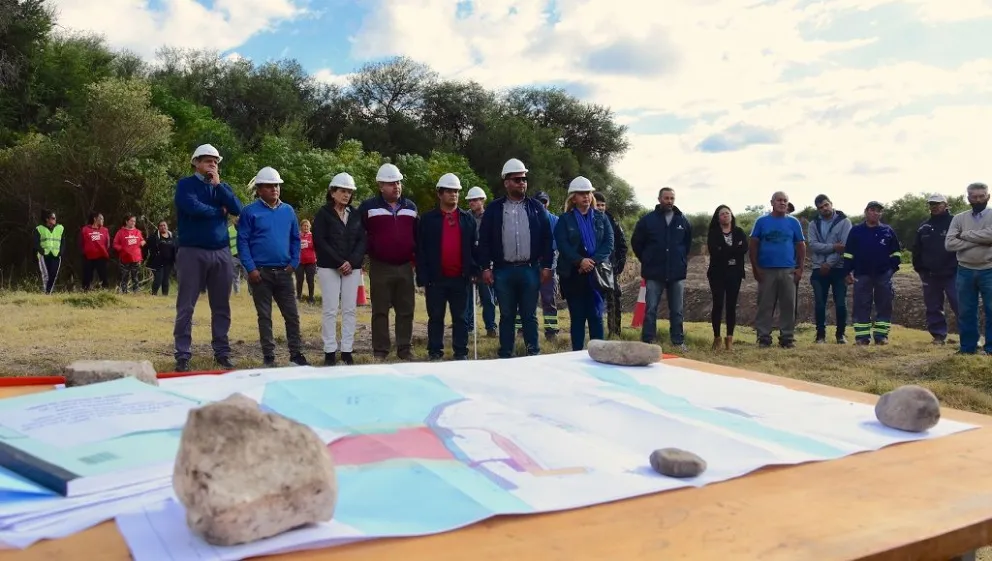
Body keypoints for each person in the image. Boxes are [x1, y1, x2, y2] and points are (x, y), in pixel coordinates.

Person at [173, 143, 243, 372]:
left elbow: (236, 207)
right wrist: (217, 211)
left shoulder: (222, 186)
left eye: (215, 161)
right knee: (186, 305)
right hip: (192, 251)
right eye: (206, 160)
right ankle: (183, 354)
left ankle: (222, 352)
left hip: (221, 251)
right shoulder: (185, 185)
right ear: (195, 162)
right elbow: (193, 208)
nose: (212, 163)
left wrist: (219, 186)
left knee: (221, 304)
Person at [477, 157, 554, 359]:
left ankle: (532, 352)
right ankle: (505, 354)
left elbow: (547, 238)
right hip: (503, 270)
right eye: (517, 179)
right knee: (507, 315)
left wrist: (547, 266)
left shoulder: (537, 208)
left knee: (529, 315)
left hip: (530, 269)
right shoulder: (494, 209)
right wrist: (485, 267)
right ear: (506, 182)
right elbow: (483, 240)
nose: (522, 183)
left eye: (524, 179)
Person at [236, 166, 308, 367]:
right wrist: (251, 269)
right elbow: (243, 242)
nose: (274, 189)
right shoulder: (250, 212)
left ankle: (296, 354)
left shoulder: (288, 210)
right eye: (269, 186)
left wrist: (294, 263)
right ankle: (269, 356)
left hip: (284, 271)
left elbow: (295, 238)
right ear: (259, 189)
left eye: (276, 185)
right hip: (261, 274)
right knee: (265, 317)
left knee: (292, 316)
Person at [358, 163, 418, 361]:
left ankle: (404, 349)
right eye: (391, 183)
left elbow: (417, 235)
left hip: (405, 266)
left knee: (406, 309)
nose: (396, 186)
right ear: (380, 186)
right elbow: (360, 234)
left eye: (398, 182)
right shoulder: (368, 207)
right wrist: (370, 250)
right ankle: (381, 350)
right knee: (380, 310)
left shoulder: (410, 207)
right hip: (380, 266)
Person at [416, 173, 479, 360]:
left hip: (461, 278)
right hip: (436, 279)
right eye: (450, 191)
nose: (454, 195)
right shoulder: (428, 220)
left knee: (461, 318)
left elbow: (474, 248)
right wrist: (423, 275)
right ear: (440, 194)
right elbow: (421, 249)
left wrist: (474, 269)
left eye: (456, 191)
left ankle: (461, 353)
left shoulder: (468, 219)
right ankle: (435, 352)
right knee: (436, 317)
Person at [554, 177, 614, 351]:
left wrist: (592, 261)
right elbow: (562, 244)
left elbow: (609, 243)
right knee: (578, 317)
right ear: (573, 198)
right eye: (581, 194)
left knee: (596, 317)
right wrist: (580, 261)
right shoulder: (565, 220)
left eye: (588, 193)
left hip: (596, 275)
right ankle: (577, 355)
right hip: (574, 275)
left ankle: (599, 354)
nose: (586, 196)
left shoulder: (602, 218)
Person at [313, 172, 367, 366]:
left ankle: (347, 350)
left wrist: (351, 262)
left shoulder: (356, 214)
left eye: (349, 192)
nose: (346, 195)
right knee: (330, 309)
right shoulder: (323, 214)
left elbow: (362, 240)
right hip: (329, 267)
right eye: (343, 191)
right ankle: (329, 351)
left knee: (349, 309)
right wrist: (338, 262)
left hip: (352, 268)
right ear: (332, 192)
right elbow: (320, 240)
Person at [630, 187, 692, 352]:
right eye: (666, 198)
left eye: (672, 198)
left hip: (676, 273)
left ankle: (678, 341)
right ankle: (648, 340)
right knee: (650, 309)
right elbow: (636, 242)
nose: (669, 201)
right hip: (654, 273)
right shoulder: (647, 221)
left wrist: (679, 260)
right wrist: (647, 259)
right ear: (659, 199)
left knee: (677, 310)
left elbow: (686, 244)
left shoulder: (682, 221)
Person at [749, 191, 805, 348]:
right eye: (779, 200)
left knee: (788, 305)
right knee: (765, 305)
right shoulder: (761, 221)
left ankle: (787, 337)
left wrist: (800, 268)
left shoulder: (793, 222)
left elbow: (801, 246)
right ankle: (763, 337)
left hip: (788, 270)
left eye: (785, 201)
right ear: (772, 202)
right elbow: (753, 244)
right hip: (766, 270)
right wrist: (755, 267)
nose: (782, 203)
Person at [843, 201, 901, 345]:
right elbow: (848, 254)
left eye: (878, 211)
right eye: (873, 210)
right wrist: (847, 271)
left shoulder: (887, 230)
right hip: (862, 274)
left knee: (884, 304)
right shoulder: (856, 231)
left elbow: (896, 253)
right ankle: (862, 338)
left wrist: (891, 269)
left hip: (883, 274)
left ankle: (881, 336)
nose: (876, 213)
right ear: (866, 211)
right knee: (861, 304)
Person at [944, 182, 992, 355]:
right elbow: (949, 244)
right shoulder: (959, 218)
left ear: (988, 196)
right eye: (974, 197)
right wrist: (983, 240)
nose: (978, 199)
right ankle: (968, 348)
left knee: (991, 309)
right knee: (966, 311)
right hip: (965, 270)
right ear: (968, 198)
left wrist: (964, 236)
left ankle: (990, 349)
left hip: (989, 269)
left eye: (982, 196)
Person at [912, 194, 960, 345]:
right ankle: (938, 336)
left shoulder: (955, 222)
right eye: (932, 203)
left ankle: (970, 336)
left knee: (960, 304)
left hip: (954, 273)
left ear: (946, 204)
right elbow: (916, 250)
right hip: (930, 275)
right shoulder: (923, 226)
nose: (934, 206)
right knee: (933, 306)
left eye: (938, 203)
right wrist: (920, 269)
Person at [806, 194, 852, 344]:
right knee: (820, 303)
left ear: (831, 204)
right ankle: (820, 336)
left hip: (838, 268)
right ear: (817, 209)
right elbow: (813, 245)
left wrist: (829, 263)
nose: (824, 209)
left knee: (840, 303)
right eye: (820, 207)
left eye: (826, 205)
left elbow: (845, 246)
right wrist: (833, 247)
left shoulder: (845, 222)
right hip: (818, 268)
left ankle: (841, 335)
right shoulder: (813, 224)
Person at [516, 191, 560, 341]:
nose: (542, 204)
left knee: (548, 300)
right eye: (539, 201)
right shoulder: (525, 218)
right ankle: (522, 330)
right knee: (525, 299)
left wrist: (549, 266)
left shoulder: (555, 220)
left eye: (544, 201)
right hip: (529, 266)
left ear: (548, 203)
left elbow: (556, 245)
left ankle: (551, 331)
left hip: (549, 266)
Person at [706, 205, 748, 350]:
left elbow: (743, 249)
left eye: (727, 213)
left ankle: (729, 338)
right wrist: (733, 251)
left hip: (734, 273)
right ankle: (717, 338)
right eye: (722, 214)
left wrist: (725, 250)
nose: (725, 216)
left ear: (731, 215)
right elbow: (715, 252)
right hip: (717, 274)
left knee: (731, 306)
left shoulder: (739, 232)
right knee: (718, 305)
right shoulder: (713, 233)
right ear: (718, 218)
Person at [462, 186, 497, 338]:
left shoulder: (490, 217)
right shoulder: (465, 217)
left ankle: (491, 327)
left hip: (485, 263)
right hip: (469, 262)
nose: (472, 202)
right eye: (470, 200)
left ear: (482, 200)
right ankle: (468, 327)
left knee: (487, 298)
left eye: (475, 200)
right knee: (467, 298)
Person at [593, 191, 628, 338]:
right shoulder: (587, 221)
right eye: (598, 205)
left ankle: (614, 333)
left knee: (614, 300)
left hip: (611, 269)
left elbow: (622, 245)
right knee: (595, 302)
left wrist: (619, 265)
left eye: (602, 205)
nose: (600, 207)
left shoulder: (613, 222)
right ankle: (597, 333)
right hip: (592, 268)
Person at [113, 214, 145, 294]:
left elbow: (142, 240)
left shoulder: (138, 232)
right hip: (125, 258)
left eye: (134, 221)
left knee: (135, 276)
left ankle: (136, 291)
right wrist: (122, 249)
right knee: (124, 276)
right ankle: (124, 291)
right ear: (126, 221)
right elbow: (115, 244)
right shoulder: (120, 232)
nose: (133, 223)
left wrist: (142, 242)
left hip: (136, 258)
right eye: (131, 221)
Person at [34, 210, 64, 294]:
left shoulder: (60, 228)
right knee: (46, 276)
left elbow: (63, 241)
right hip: (44, 255)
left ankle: (47, 292)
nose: (55, 219)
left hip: (56, 255)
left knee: (53, 275)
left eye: (55, 218)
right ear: (47, 219)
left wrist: (61, 252)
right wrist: (42, 251)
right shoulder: (39, 229)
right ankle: (47, 293)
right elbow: (36, 243)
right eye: (53, 218)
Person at [79, 212, 110, 291]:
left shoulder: (105, 230)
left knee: (103, 275)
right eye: (101, 218)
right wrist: (85, 252)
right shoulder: (85, 229)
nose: (103, 220)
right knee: (87, 276)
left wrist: (103, 251)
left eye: (103, 219)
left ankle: (105, 290)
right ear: (95, 219)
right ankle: (85, 290)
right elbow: (81, 242)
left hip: (101, 256)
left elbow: (107, 243)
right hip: (88, 257)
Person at [146, 220, 176, 296]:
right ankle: (153, 295)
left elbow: (176, 247)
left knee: (165, 280)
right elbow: (147, 245)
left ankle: (165, 296)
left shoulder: (172, 236)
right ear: (158, 227)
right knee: (158, 279)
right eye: (161, 226)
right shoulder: (154, 237)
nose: (163, 227)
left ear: (167, 227)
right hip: (157, 262)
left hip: (168, 262)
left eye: (164, 225)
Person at [296, 219, 317, 303]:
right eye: (304, 225)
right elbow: (292, 247)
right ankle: (298, 296)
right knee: (299, 280)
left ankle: (311, 298)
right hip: (299, 262)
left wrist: (310, 244)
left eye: (307, 226)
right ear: (301, 227)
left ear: (310, 227)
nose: (306, 227)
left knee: (310, 280)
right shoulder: (297, 236)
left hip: (311, 262)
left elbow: (317, 248)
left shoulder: (313, 236)